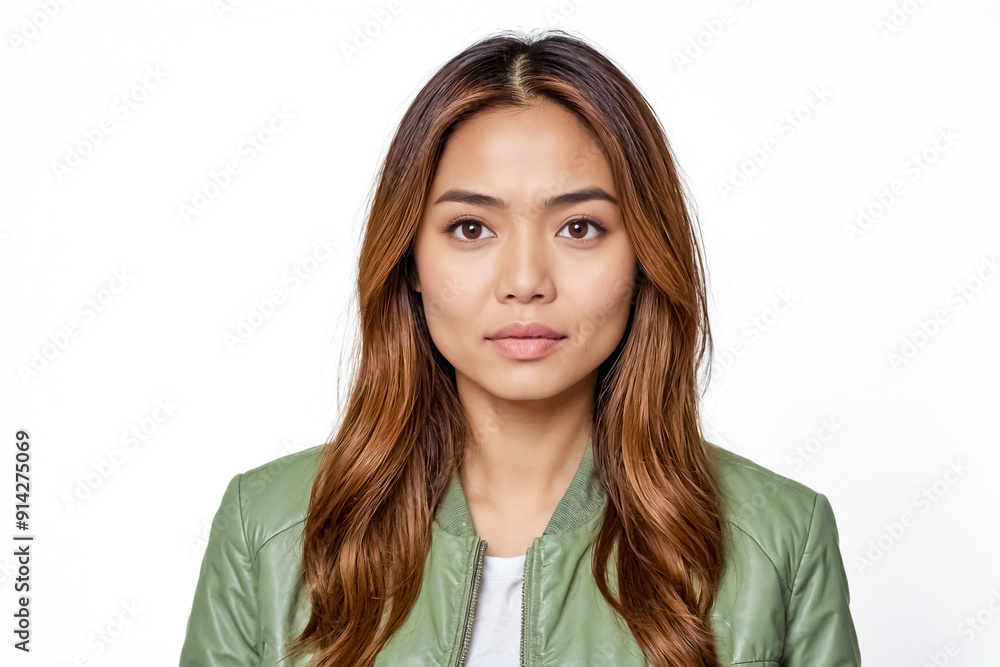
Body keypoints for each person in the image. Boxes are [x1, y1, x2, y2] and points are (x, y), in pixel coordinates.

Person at [179, 29, 861, 667]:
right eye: (472, 227)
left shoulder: (779, 541)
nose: (526, 281)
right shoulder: (266, 531)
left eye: (581, 227)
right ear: (410, 261)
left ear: (646, 257)